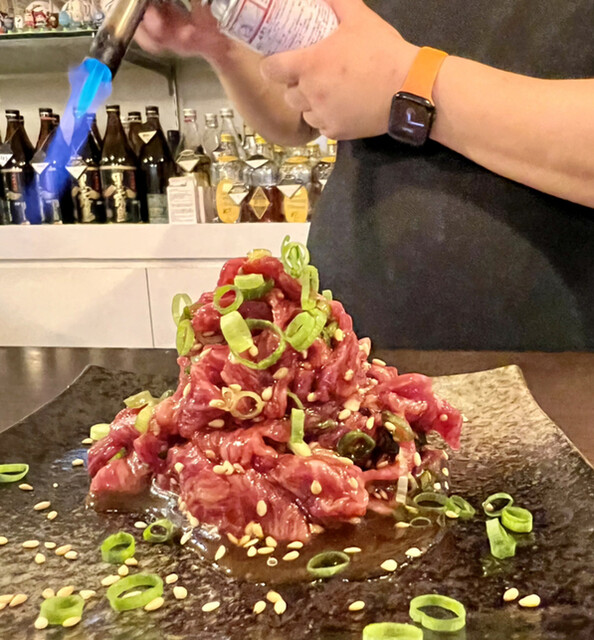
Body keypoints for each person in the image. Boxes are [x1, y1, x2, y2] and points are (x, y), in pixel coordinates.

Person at [135, 0, 594, 350]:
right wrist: (220, 44)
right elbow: (297, 117)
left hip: (555, 350)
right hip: (355, 330)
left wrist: (409, 85)